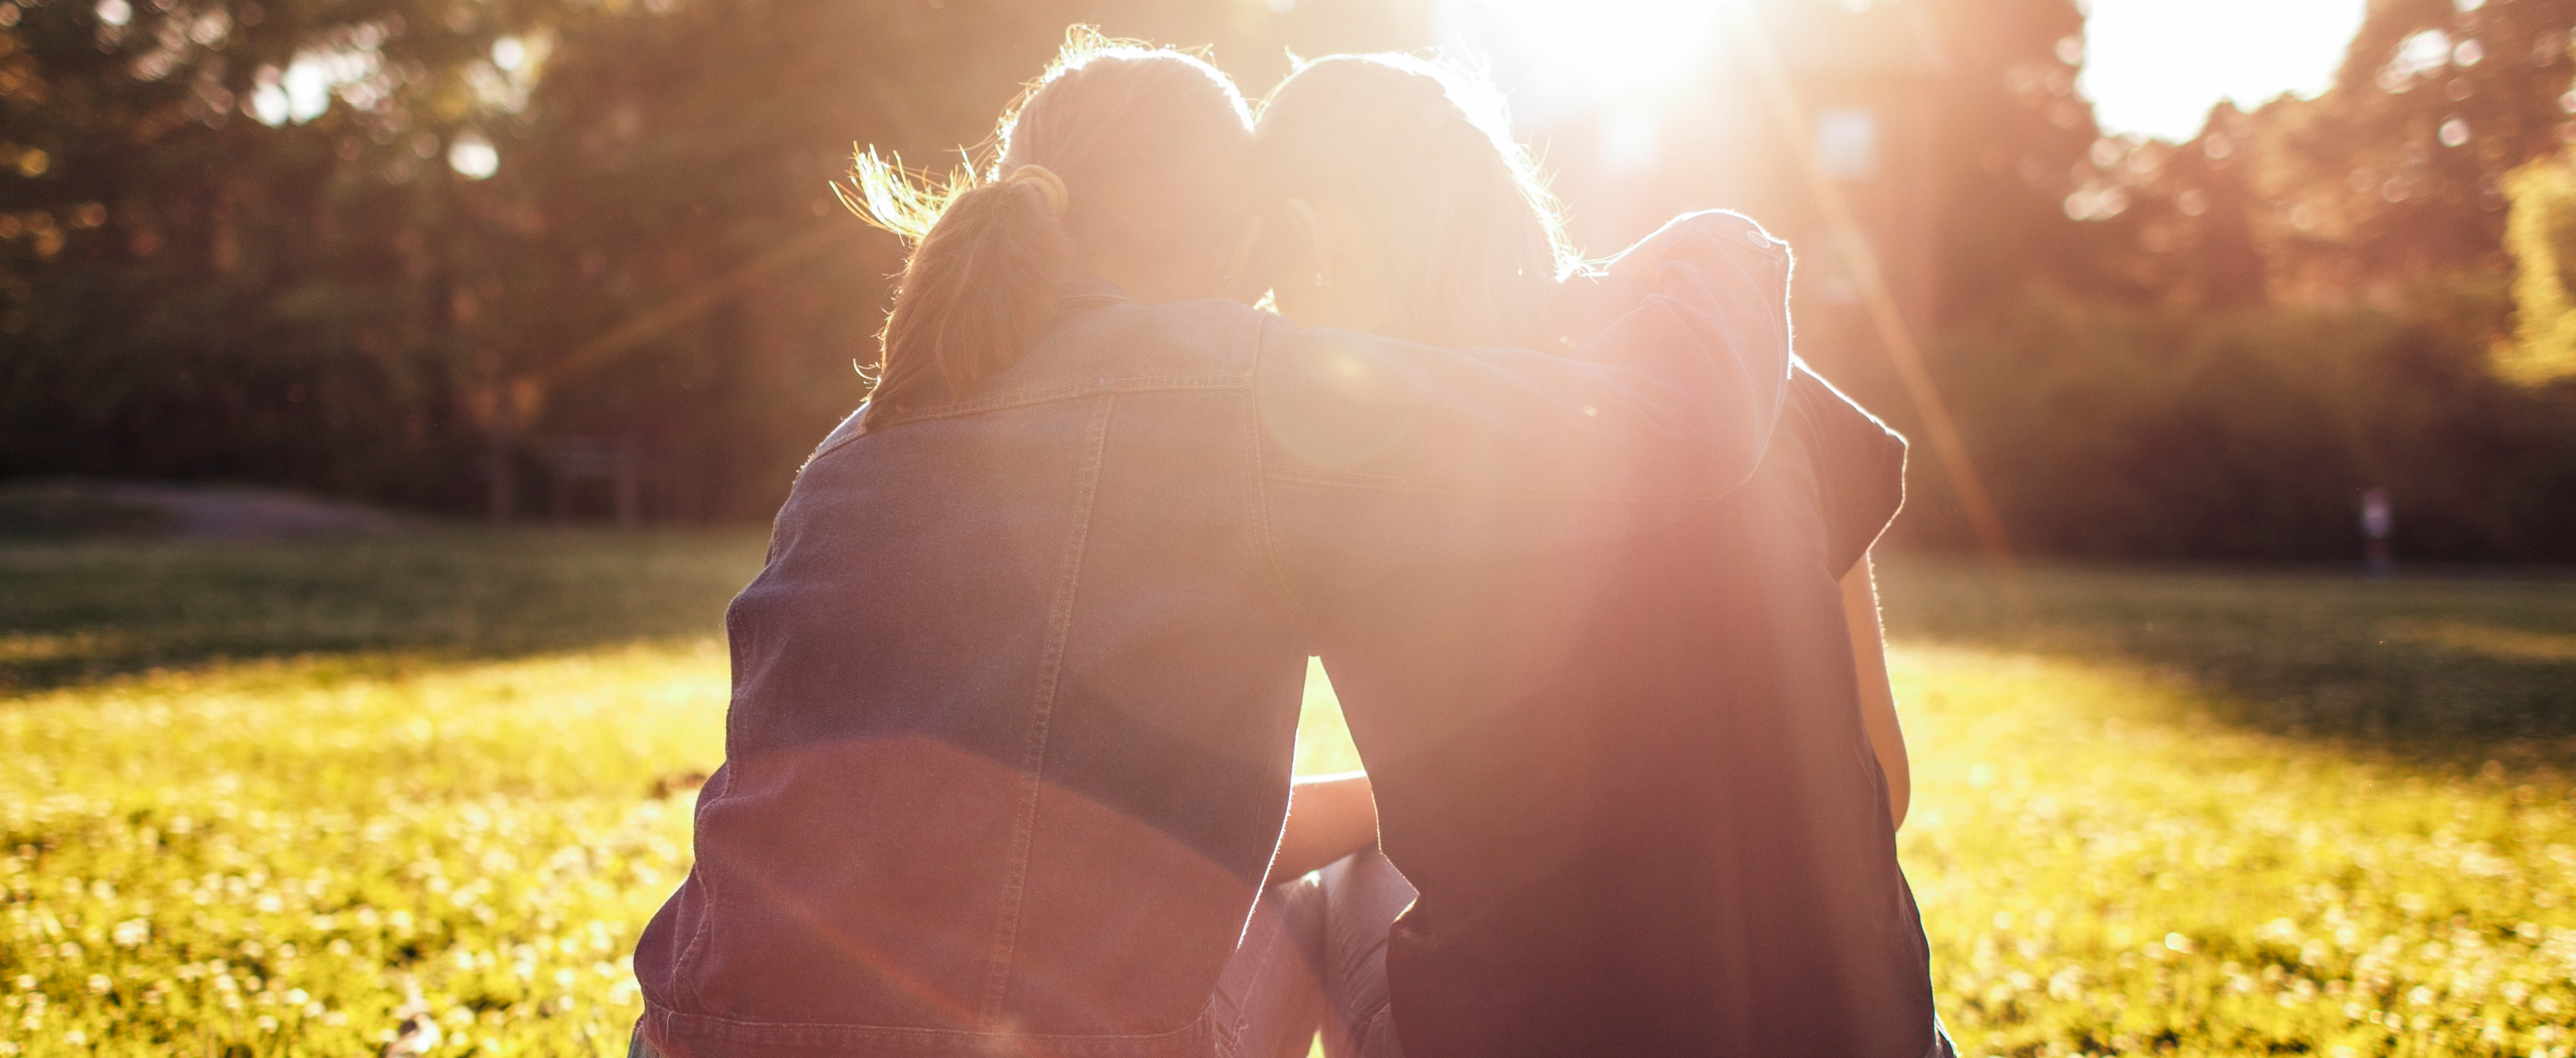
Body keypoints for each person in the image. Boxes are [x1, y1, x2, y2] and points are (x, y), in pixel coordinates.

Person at [626, 32, 1799, 1058]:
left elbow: (1030, 805)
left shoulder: (869, 428)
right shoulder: (1237, 387)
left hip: (699, 1031)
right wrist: (1724, 246)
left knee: (1283, 889)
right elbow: (1670, 428)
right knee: (1340, 900)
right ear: (1245, 239)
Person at [1250, 52, 1943, 1057]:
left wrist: (1377, 809)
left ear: (1311, 239)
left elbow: (1220, 834)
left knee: (1339, 883)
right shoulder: (1745, 367)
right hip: (1862, 1033)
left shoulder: (1347, 458)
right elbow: (1882, 776)